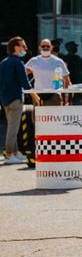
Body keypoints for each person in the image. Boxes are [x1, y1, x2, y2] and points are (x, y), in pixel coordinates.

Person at [1, 36, 30, 164]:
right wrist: (33, 91)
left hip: (5, 99)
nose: (25, 49)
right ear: (16, 47)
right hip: (16, 99)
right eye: (23, 46)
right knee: (13, 129)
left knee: (13, 127)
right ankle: (8, 155)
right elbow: (25, 83)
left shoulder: (3, 62)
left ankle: (15, 152)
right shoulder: (18, 63)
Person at [25, 38, 70, 105]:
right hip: (38, 96)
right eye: (43, 46)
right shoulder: (33, 61)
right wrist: (30, 90)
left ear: (51, 48)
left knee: (55, 115)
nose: (45, 48)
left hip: (54, 95)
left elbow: (66, 79)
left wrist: (66, 96)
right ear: (39, 48)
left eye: (48, 46)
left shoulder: (58, 61)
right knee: (38, 115)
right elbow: (22, 75)